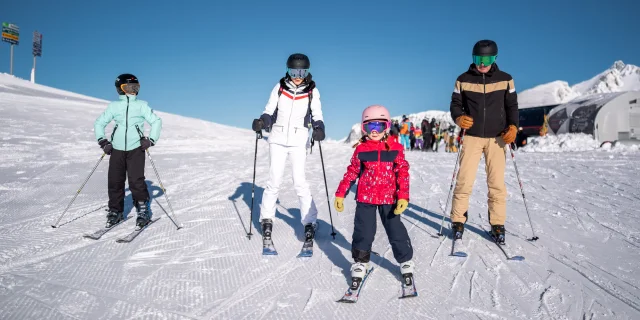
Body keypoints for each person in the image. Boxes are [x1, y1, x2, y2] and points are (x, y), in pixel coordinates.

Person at [334, 105, 414, 290]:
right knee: (363, 231)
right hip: (365, 198)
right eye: (370, 127)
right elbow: (352, 172)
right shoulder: (361, 149)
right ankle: (361, 262)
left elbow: (402, 172)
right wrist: (340, 193)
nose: (375, 131)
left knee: (395, 230)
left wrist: (403, 196)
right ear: (364, 128)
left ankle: (405, 261)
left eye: (379, 125)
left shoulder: (395, 148)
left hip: (389, 198)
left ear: (387, 126)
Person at [251, 53, 325, 246]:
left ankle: (310, 221)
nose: (297, 75)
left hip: (298, 140)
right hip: (277, 138)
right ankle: (266, 218)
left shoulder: (312, 91)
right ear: (288, 70)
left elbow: (317, 114)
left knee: (299, 181)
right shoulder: (280, 88)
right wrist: (261, 122)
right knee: (273, 180)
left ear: (307, 71)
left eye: (302, 71)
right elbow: (269, 112)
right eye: (294, 71)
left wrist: (319, 129)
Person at [449, 39, 519, 243]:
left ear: (494, 58)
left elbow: (512, 106)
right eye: (478, 58)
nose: (482, 63)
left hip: (497, 138)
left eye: (487, 59)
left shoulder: (506, 79)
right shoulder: (462, 79)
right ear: (473, 58)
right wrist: (458, 117)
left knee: (496, 184)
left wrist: (513, 126)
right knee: (464, 181)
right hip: (471, 137)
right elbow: (455, 104)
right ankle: (457, 221)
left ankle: (497, 224)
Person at [94, 74, 162, 229]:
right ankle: (115, 211)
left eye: (135, 88)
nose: (132, 91)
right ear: (120, 89)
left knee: (136, 181)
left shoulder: (141, 105)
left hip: (136, 149)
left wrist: (150, 140)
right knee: (115, 181)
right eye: (128, 88)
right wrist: (103, 141)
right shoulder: (114, 106)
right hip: (117, 149)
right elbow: (99, 123)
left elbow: (156, 121)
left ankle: (143, 209)